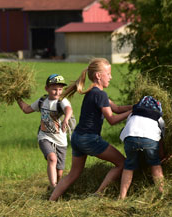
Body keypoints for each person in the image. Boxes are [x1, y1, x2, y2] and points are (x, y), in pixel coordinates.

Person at [49, 58, 132, 201]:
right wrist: (132, 112)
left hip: (77, 137)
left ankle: (51, 200)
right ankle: (98, 193)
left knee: (74, 174)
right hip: (89, 139)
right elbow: (112, 119)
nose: (111, 77)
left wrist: (136, 106)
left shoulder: (92, 92)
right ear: (99, 76)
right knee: (122, 163)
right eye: (108, 73)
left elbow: (117, 109)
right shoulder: (100, 94)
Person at [16, 74, 74, 189]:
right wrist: (17, 97)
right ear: (46, 88)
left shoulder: (62, 101)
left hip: (60, 140)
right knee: (52, 158)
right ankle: (53, 186)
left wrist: (66, 119)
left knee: (59, 172)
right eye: (54, 89)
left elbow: (68, 109)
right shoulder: (42, 101)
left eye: (60, 89)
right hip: (44, 136)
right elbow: (27, 109)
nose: (57, 92)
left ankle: (56, 186)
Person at [118, 96, 165, 199]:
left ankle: (122, 196)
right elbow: (160, 138)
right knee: (155, 164)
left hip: (130, 137)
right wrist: (161, 155)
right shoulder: (159, 118)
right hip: (150, 139)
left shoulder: (132, 114)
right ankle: (161, 193)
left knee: (129, 165)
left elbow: (127, 129)